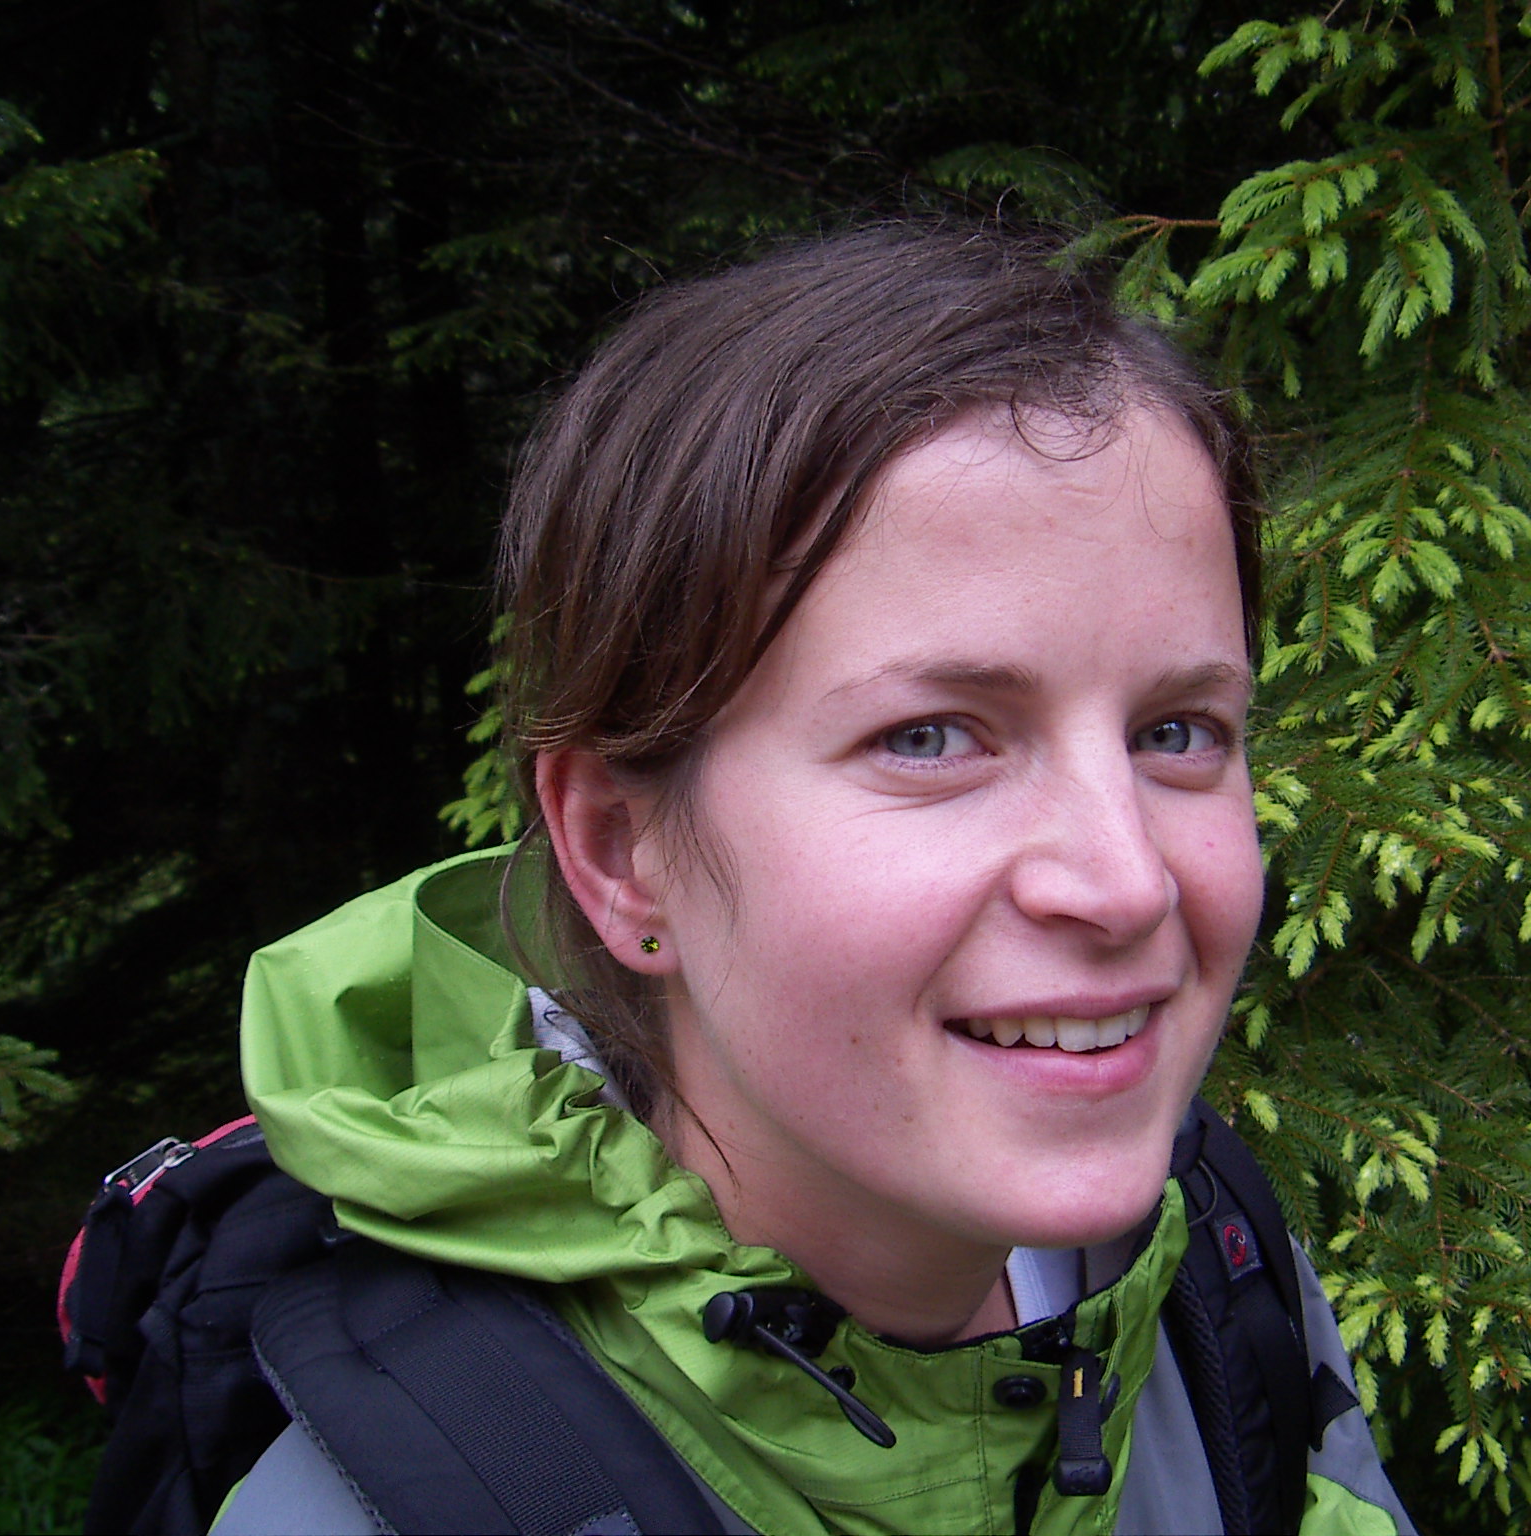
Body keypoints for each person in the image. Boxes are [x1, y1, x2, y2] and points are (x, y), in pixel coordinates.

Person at [214, 224, 1413, 1535]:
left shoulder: (1213, 1291)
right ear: (622, 853)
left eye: (1176, 731)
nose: (1127, 885)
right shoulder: (391, 1505)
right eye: (931, 738)